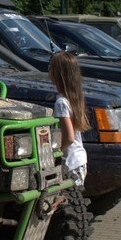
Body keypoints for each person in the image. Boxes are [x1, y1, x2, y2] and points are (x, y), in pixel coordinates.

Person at [48, 51, 89, 187]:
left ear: (56, 74)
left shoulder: (61, 102)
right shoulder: (75, 97)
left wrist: (53, 153)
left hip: (70, 163)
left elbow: (69, 137)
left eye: (51, 68)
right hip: (80, 159)